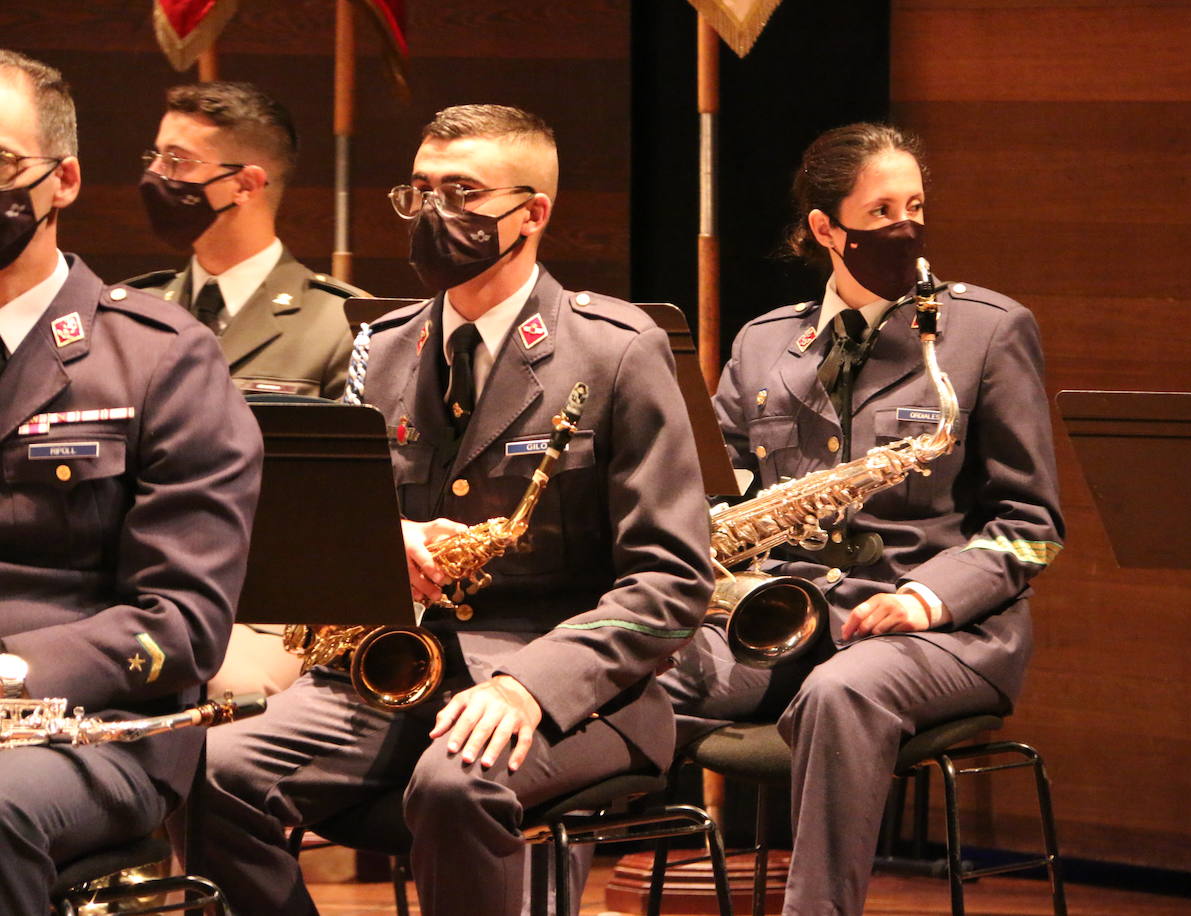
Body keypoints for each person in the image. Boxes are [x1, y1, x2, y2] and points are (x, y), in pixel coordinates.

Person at [187, 103, 713, 916]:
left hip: (571, 683)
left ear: (533, 213)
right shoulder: (387, 346)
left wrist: (528, 689)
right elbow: (328, 529)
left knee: (454, 786)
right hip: (397, 673)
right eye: (423, 191)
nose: (436, 215)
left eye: (463, 194)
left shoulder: (615, 351)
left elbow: (672, 583)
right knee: (211, 775)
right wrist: (381, 538)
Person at [661, 122, 1066, 915]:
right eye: (880, 211)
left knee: (840, 695)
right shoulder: (763, 345)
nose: (905, 229)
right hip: (786, 617)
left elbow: (1033, 526)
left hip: (946, 631)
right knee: (625, 666)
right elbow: (717, 488)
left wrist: (927, 599)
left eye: (914, 205)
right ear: (825, 228)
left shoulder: (987, 331)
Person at [0, 50, 262, 914]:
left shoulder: (156, 358)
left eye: (1, 165)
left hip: (101, 728)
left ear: (62, 179)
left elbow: (183, 622)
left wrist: (9, 673)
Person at [126, 80, 365, 697]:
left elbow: (349, 521)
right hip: (133, 596)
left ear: (247, 183)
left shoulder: (340, 323)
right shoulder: (130, 315)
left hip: (269, 611)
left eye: (178, 162)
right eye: (155, 157)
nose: (157, 175)